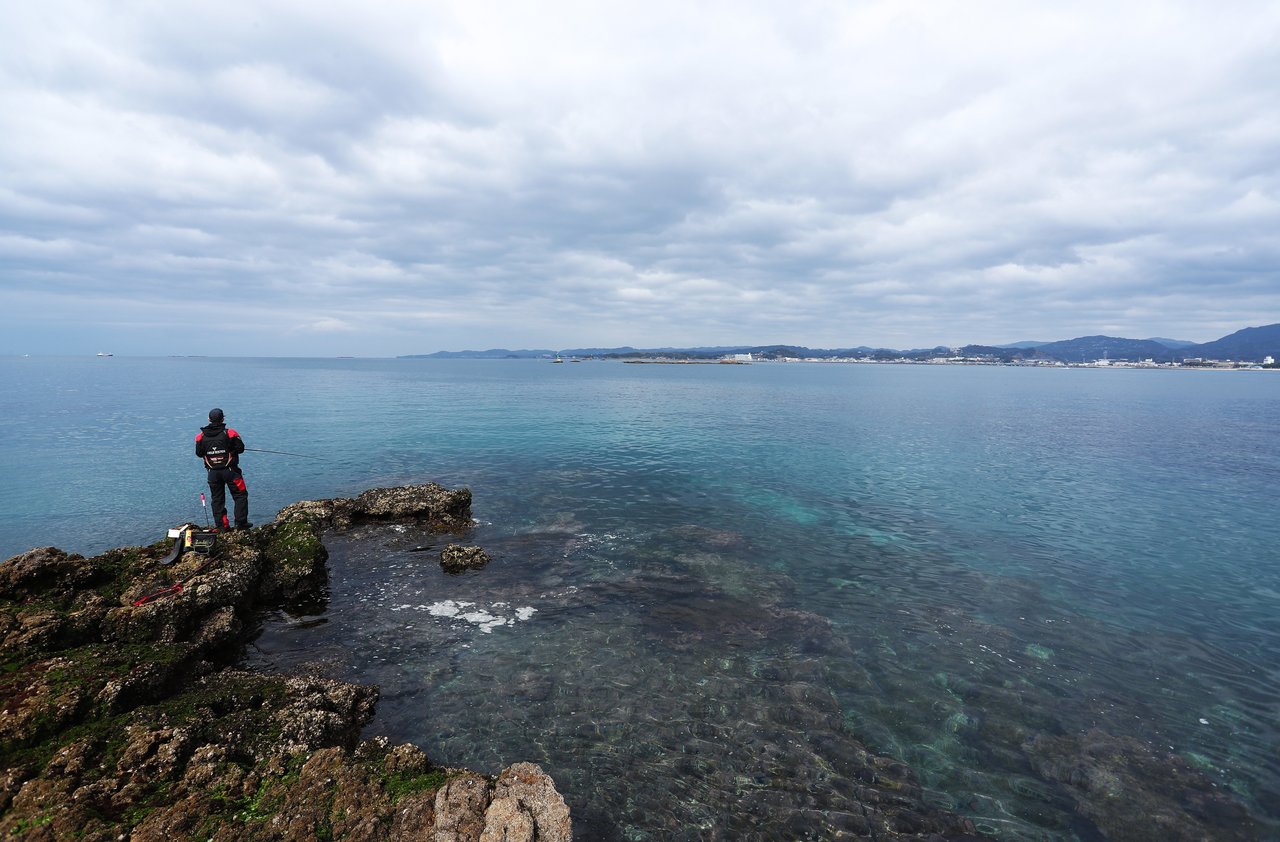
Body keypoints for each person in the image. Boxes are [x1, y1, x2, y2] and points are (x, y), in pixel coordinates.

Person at [195, 407, 251, 531]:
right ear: (223, 419)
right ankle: (241, 524)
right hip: (231, 472)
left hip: (212, 473)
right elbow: (240, 449)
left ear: (209, 419)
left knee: (217, 499)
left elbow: (199, 454)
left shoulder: (200, 437)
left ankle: (222, 527)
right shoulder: (230, 433)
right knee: (240, 496)